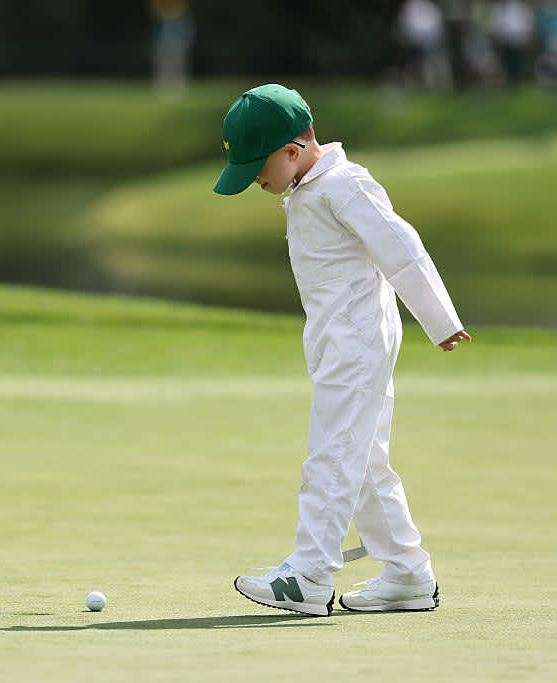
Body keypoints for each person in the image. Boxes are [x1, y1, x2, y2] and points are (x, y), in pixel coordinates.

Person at [213, 84, 470, 616]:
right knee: (365, 460)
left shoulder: (344, 185)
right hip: (337, 343)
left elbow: (402, 250)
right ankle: (407, 574)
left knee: (332, 454)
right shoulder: (309, 187)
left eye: (258, 168)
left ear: (293, 151)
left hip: (357, 344)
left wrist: (441, 320)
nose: (256, 181)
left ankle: (309, 574)